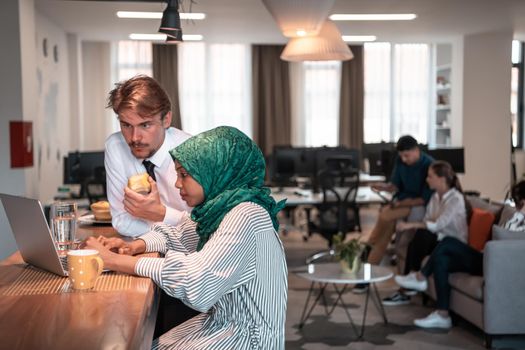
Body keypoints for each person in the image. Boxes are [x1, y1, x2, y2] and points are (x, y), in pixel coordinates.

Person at [85, 126, 288, 349]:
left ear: (214, 171)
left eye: (184, 175)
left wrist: (116, 261)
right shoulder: (224, 210)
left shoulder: (246, 215)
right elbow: (183, 233)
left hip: (246, 339)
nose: (177, 183)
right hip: (222, 325)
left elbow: (197, 282)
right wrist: (135, 246)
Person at [395, 180, 525, 329]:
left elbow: (505, 237)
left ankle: (421, 277)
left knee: (448, 242)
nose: (517, 206)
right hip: (488, 257)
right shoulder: (517, 217)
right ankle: (442, 315)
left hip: (495, 264)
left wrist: (520, 214)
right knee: (442, 259)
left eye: (519, 202)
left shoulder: (518, 217)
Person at [105, 75, 191, 238]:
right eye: (126, 125)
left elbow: (205, 226)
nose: (134, 137)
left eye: (145, 125)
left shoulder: (191, 152)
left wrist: (160, 213)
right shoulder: (116, 147)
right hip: (146, 248)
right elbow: (121, 220)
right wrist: (168, 226)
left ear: (166, 119)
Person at [353, 135, 434, 294]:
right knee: (382, 237)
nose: (403, 159)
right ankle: (366, 276)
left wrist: (400, 203)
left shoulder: (429, 165)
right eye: (401, 156)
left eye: (407, 155)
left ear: (416, 150)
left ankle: (369, 248)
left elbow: (423, 199)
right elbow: (395, 185)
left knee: (388, 225)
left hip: (416, 205)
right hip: (401, 203)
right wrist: (383, 187)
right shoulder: (400, 161)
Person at [383, 161, 469, 306]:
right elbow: (427, 220)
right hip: (437, 239)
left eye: (430, 176)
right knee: (419, 236)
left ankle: (410, 285)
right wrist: (417, 226)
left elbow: (438, 225)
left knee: (423, 234)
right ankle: (410, 285)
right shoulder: (435, 197)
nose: (426, 179)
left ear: (441, 179)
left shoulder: (455, 199)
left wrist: (409, 224)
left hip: (453, 244)